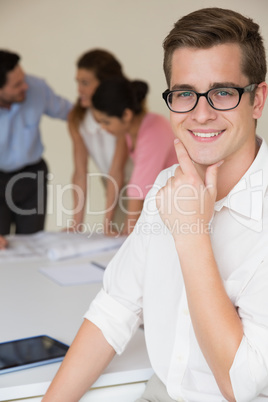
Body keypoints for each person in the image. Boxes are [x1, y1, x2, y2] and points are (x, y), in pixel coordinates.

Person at [43, 7, 268, 402]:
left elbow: (241, 384)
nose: (201, 113)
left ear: (257, 100)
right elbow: (116, 308)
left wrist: (191, 232)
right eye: (184, 93)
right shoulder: (167, 186)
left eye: (223, 92)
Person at [0, 50, 72, 241]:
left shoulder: (36, 88)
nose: (25, 86)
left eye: (23, 78)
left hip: (32, 178)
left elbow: (71, 113)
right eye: (16, 85)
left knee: (33, 243)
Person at [91, 77, 177, 234]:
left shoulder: (153, 132)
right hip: (163, 202)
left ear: (126, 114)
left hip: (180, 205)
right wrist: (107, 224)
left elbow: (137, 190)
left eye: (106, 122)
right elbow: (115, 172)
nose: (103, 128)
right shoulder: (127, 131)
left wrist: (128, 234)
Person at [67, 49, 130, 233]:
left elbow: (117, 170)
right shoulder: (76, 118)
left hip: (137, 185)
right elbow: (80, 172)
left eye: (85, 83)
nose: (79, 90)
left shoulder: (122, 115)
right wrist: (76, 224)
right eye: (78, 82)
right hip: (110, 184)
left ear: (105, 85)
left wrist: (107, 223)